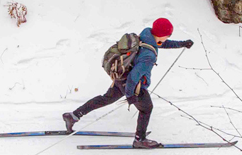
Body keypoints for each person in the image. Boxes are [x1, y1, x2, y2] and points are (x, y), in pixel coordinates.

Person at [62, 18, 194, 148]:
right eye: (168, 35)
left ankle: (73, 116)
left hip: (120, 78)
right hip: (133, 85)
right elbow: (134, 77)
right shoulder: (149, 55)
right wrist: (130, 95)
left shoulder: (145, 35)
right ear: (162, 35)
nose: (167, 38)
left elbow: (161, 43)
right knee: (146, 109)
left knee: (105, 99)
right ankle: (140, 139)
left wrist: (182, 43)